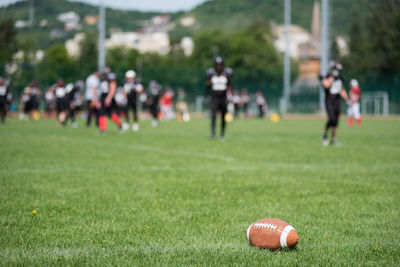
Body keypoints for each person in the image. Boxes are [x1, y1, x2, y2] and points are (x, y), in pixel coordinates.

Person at [320, 61, 349, 146]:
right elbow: (326, 85)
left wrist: (347, 99)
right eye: (336, 69)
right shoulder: (326, 76)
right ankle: (325, 134)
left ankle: (333, 139)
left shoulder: (340, 77)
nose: (338, 71)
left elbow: (341, 89)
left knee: (336, 121)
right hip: (329, 100)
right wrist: (332, 77)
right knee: (331, 119)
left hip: (337, 100)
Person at [205, 56, 233, 140]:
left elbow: (231, 85)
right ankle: (213, 133)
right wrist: (206, 96)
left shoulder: (227, 74)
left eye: (220, 65)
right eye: (217, 65)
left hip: (223, 97)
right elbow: (207, 86)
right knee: (213, 115)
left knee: (223, 116)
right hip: (214, 97)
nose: (219, 67)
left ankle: (222, 133)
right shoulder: (211, 74)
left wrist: (231, 96)